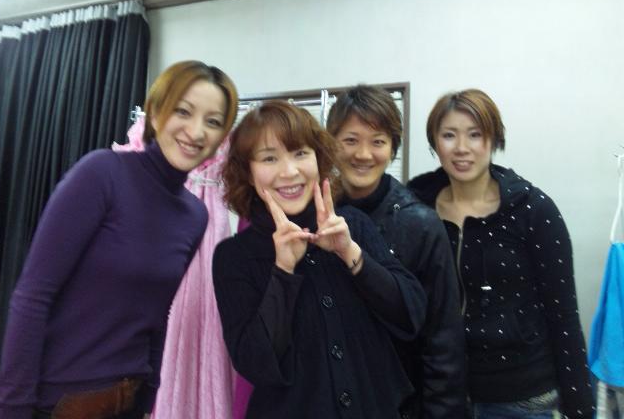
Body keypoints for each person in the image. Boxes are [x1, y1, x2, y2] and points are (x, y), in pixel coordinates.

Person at [0, 60, 239, 419]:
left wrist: (149, 394)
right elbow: (33, 296)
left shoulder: (194, 216)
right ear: (156, 111)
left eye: (213, 121)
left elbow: (158, 310)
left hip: (128, 399)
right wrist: (12, 409)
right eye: (183, 111)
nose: (196, 131)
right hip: (62, 402)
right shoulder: (101, 173)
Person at [212, 100, 427, 419]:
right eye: (270, 158)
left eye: (300, 153)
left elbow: (410, 315)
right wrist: (283, 271)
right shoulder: (234, 256)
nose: (290, 171)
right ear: (248, 172)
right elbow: (255, 363)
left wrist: (350, 253)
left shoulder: (353, 225)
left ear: (318, 158)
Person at [407, 89, 595, 419]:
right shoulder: (415, 207)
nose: (461, 148)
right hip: (439, 392)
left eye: (475, 135)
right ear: (434, 142)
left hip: (521, 396)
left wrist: (581, 407)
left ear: (494, 139)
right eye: (449, 135)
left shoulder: (532, 210)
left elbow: (563, 315)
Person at [326, 84, 467, 418]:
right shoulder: (316, 215)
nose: (363, 154)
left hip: (401, 404)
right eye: (350, 140)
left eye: (377, 142)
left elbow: (442, 340)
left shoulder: (420, 224)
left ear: (392, 148)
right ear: (330, 143)